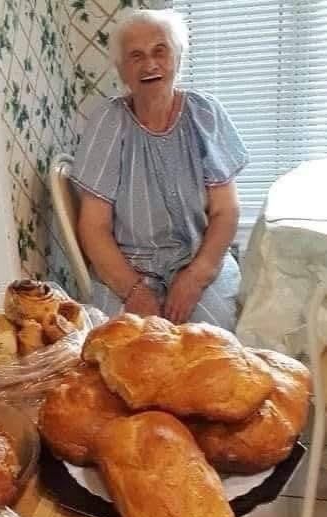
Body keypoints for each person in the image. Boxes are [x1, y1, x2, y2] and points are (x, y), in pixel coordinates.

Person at [70, 8, 248, 330]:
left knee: (213, 346)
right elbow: (94, 227)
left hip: (197, 262)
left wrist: (195, 277)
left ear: (178, 58)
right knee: (121, 350)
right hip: (126, 270)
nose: (150, 64)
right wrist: (134, 291)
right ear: (122, 70)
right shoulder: (108, 123)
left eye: (160, 51)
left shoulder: (205, 114)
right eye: (135, 56)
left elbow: (226, 210)